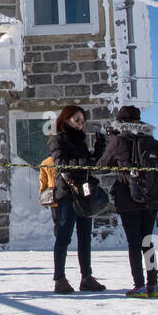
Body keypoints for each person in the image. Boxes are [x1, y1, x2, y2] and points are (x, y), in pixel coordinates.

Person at [97, 105, 158, 298]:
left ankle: (139, 285)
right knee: (147, 242)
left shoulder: (118, 140)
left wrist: (105, 142)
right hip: (151, 198)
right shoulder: (150, 140)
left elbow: (101, 166)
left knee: (134, 243)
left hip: (129, 197)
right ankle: (154, 285)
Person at [47, 105, 106, 294]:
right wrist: (84, 162)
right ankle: (59, 278)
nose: (81, 124)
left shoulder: (80, 140)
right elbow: (61, 164)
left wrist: (99, 149)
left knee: (85, 237)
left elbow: (91, 164)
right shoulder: (57, 138)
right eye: (77, 119)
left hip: (84, 191)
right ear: (66, 119)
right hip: (68, 192)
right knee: (64, 235)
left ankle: (86, 277)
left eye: (83, 121)